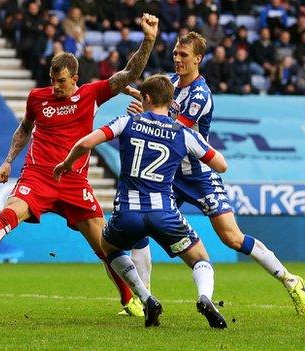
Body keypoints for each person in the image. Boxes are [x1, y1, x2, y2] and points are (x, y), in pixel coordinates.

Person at [0, 13, 160, 317]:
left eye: (61, 82)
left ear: (75, 78)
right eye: (52, 81)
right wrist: (8, 161)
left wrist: (148, 40)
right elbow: (24, 129)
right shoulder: (37, 98)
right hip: (39, 176)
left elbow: (129, 73)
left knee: (105, 246)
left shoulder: (91, 94)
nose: (56, 87)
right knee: (8, 213)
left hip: (74, 182)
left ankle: (130, 299)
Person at [126, 32, 305, 314]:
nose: (177, 59)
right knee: (140, 225)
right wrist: (143, 102)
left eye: (183, 55)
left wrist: (144, 114)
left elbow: (173, 129)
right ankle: (143, 300)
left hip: (199, 175)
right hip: (170, 174)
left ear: (198, 59)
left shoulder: (201, 95)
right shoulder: (170, 84)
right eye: (175, 53)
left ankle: (290, 280)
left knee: (232, 237)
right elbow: (159, 109)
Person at [54, 74, 229, 329]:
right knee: (199, 257)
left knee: (109, 248)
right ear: (170, 102)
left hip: (128, 213)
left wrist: (67, 163)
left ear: (145, 98)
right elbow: (221, 165)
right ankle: (204, 297)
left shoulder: (127, 122)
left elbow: (86, 142)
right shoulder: (183, 133)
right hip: (165, 213)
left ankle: (146, 298)